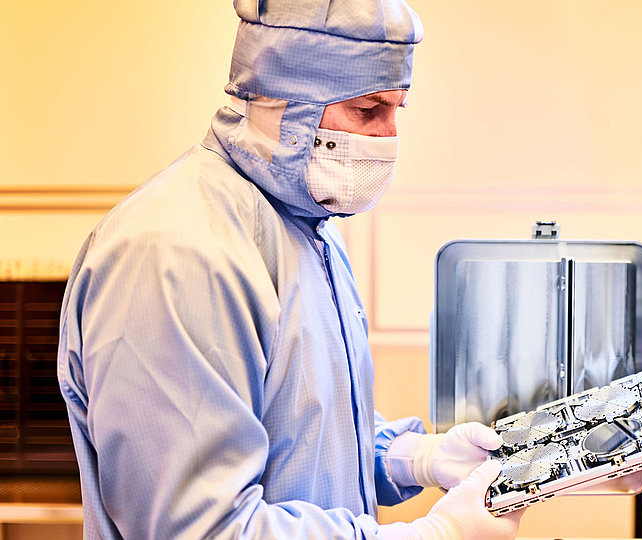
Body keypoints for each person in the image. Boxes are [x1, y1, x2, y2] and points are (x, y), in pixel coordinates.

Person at [56, 1, 524, 538]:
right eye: (368, 110)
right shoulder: (176, 251)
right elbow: (199, 526)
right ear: (286, 104)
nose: (389, 138)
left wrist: (410, 456)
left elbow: (297, 431)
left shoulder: (308, 230)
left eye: (399, 109)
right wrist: (428, 536)